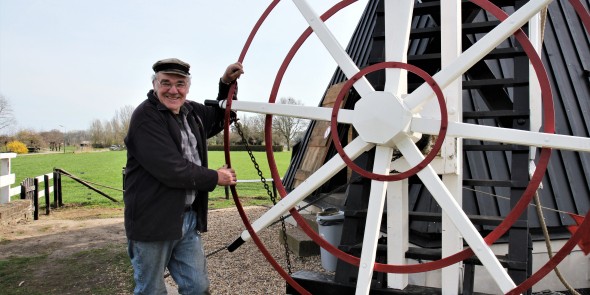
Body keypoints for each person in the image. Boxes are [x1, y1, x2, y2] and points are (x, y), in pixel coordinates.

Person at [124, 58, 243, 294]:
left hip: (187, 220)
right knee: (151, 288)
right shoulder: (146, 117)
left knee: (197, 287)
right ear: (155, 84)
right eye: (165, 83)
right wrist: (214, 177)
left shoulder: (192, 112)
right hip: (153, 221)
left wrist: (226, 83)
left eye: (180, 84)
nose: (173, 90)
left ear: (188, 87)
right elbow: (171, 168)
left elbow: (223, 116)